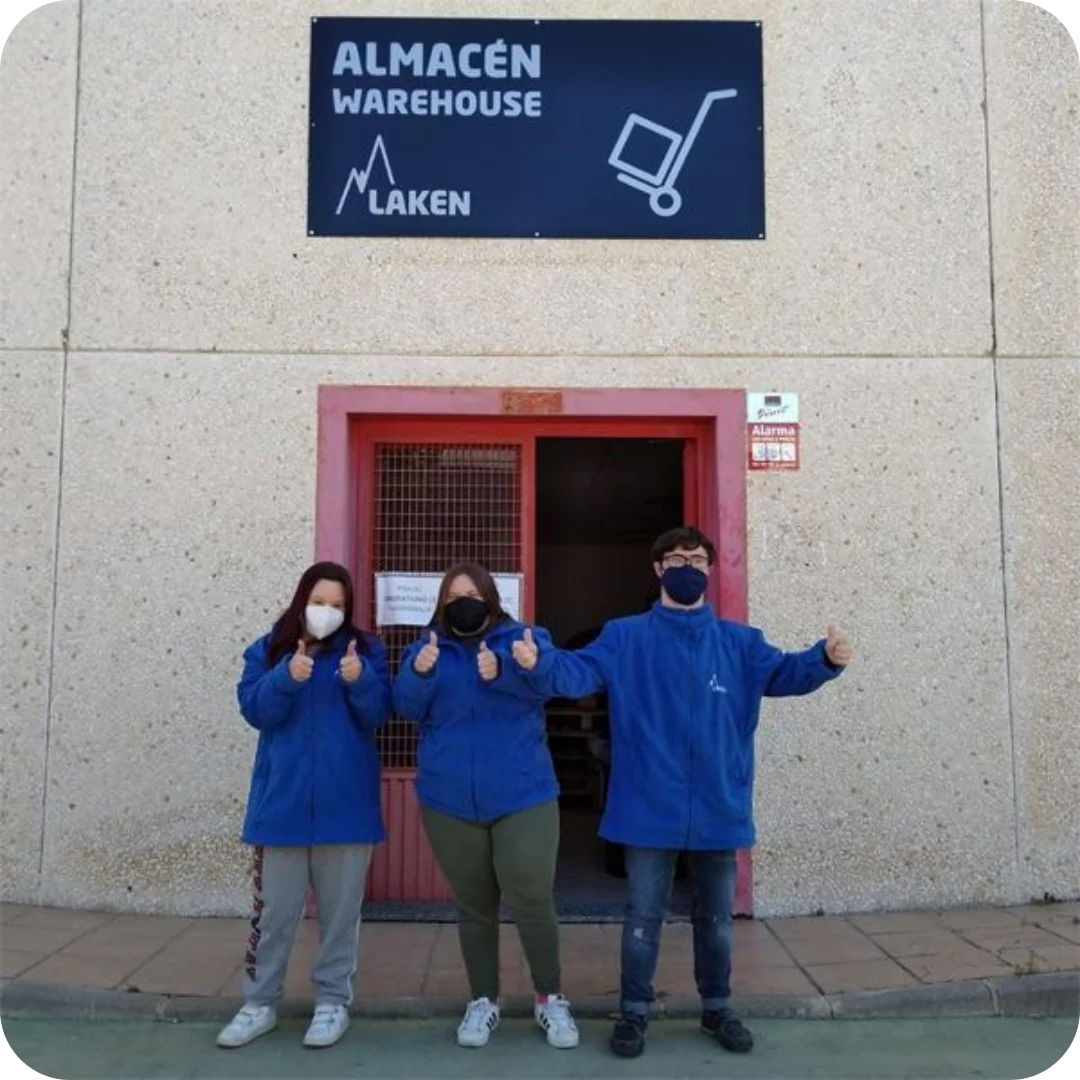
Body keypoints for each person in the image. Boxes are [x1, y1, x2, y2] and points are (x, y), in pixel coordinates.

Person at [508, 527, 854, 1059]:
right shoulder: (625, 638)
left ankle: (717, 1008)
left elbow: (787, 672)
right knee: (642, 918)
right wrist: (542, 663)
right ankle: (633, 1013)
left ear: (710, 570)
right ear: (658, 569)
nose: (686, 567)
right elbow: (578, 672)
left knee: (715, 921)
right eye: (675, 559)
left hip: (719, 804)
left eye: (696, 559)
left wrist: (825, 659)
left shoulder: (741, 644)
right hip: (648, 806)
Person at [392, 563, 579, 1051]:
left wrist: (516, 670)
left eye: (473, 595)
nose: (464, 603)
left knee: (531, 897)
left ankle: (549, 997)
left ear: (493, 600)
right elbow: (406, 707)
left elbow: (555, 683)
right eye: (454, 596)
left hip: (523, 794)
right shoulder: (426, 647)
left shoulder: (524, 639)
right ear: (441, 603)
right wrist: (419, 672)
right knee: (474, 905)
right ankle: (483, 1000)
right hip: (449, 799)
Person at [216, 562, 391, 1050]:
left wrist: (361, 680)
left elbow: (380, 713)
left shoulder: (365, 651)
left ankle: (332, 1003)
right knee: (273, 916)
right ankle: (259, 1003)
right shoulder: (268, 648)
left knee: (340, 918)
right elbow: (255, 710)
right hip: (281, 808)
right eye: (318, 602)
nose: (326, 612)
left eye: (337, 605)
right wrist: (286, 677)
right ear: (301, 601)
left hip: (346, 809)